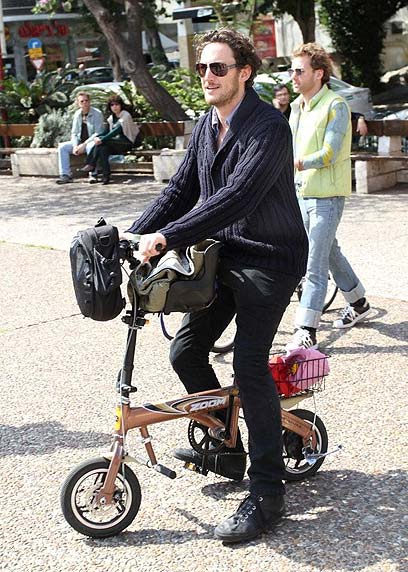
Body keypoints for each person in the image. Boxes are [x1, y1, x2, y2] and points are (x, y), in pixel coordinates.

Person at [122, 28, 308, 543]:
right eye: (202, 67)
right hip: (223, 256)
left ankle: (267, 491)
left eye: (218, 67)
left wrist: (167, 236)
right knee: (186, 352)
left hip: (271, 259)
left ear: (244, 72)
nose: (207, 75)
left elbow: (236, 198)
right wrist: (134, 235)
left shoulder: (268, 127)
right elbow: (181, 190)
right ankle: (227, 449)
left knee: (248, 363)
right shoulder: (207, 124)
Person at [288, 43, 372, 350]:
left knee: (314, 262)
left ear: (319, 73)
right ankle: (359, 302)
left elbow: (330, 153)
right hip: (301, 193)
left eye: (299, 71)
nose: (293, 76)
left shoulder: (336, 105)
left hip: (327, 197)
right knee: (329, 251)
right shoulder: (297, 107)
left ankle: (306, 328)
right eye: (292, 70)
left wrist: (295, 162)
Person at [82, 95, 140, 185]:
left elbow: (116, 131)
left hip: (126, 143)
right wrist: (98, 138)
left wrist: (102, 139)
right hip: (114, 144)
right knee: (102, 148)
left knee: (102, 143)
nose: (114, 107)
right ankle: (106, 176)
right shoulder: (111, 118)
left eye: (117, 104)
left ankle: (91, 164)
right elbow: (106, 131)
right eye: (112, 105)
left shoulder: (125, 115)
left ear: (121, 105)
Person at [55, 93, 104, 185]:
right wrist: (75, 146)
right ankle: (65, 175)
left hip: (91, 141)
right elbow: (74, 132)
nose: (84, 103)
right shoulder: (77, 114)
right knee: (63, 147)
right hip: (79, 142)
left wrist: (84, 144)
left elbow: (98, 132)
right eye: (82, 101)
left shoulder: (97, 113)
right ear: (78, 103)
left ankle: (93, 174)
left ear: (90, 102)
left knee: (91, 147)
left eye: (86, 100)